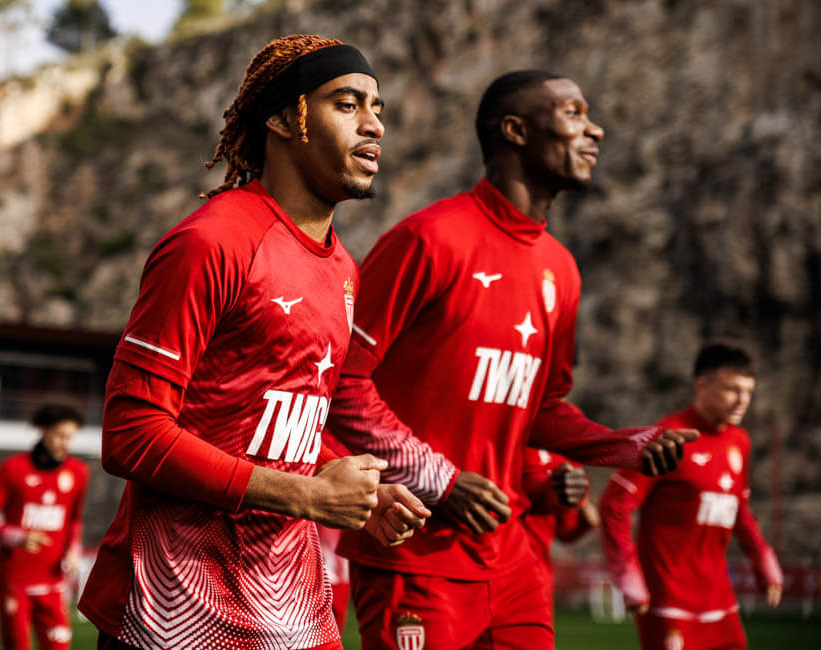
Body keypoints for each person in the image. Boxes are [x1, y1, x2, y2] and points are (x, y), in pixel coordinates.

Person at [323, 69, 700, 649]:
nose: (595, 130)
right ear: (517, 131)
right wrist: (440, 481)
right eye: (573, 113)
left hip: (512, 561)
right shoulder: (430, 239)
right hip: (414, 554)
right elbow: (338, 383)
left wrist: (626, 444)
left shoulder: (562, 270)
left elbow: (543, 409)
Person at [77, 34, 429, 650]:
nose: (374, 125)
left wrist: (343, 481)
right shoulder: (210, 243)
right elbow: (131, 433)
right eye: (346, 104)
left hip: (292, 610)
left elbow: (271, 423)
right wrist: (308, 496)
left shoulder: (344, 268)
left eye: (377, 108)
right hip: (175, 612)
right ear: (283, 119)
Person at [600, 342, 783, 650]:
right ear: (702, 386)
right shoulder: (668, 437)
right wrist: (627, 573)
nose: (743, 400)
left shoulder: (739, 441)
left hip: (720, 601)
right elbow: (615, 503)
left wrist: (763, 558)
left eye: (748, 391)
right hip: (667, 602)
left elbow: (738, 508)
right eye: (732, 389)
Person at [0, 404, 90, 650]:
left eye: (70, 437)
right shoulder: (12, 468)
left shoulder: (78, 472)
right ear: (43, 430)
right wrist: (17, 537)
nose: (65, 443)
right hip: (14, 582)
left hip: (53, 581)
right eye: (60, 435)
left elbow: (75, 519)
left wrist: (73, 550)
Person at [519, 447, 598, 607]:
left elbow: (564, 532)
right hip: (503, 561)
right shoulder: (513, 446)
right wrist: (552, 488)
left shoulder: (567, 458)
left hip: (539, 568)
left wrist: (584, 524)